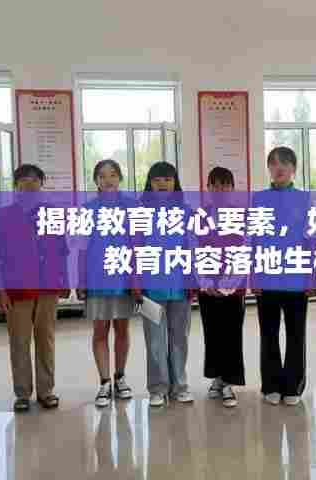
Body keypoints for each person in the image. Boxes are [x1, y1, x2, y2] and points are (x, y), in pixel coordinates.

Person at [0, 164, 70, 412]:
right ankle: (22, 393)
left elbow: (61, 249)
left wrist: (65, 279)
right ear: (16, 185)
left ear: (41, 184)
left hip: (48, 287)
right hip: (17, 289)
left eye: (35, 180)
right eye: (24, 180)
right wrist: (1, 290)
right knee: (19, 341)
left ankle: (46, 391)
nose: (29, 184)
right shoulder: (3, 216)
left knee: (46, 339)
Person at [77, 159, 141, 408]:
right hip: (97, 279)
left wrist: (138, 278)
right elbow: (82, 250)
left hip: (125, 279)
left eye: (113, 174)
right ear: (96, 181)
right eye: (102, 176)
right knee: (100, 331)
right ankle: (104, 382)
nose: (108, 180)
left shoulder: (132, 206)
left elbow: (138, 246)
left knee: (122, 330)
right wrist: (81, 280)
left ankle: (120, 377)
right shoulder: (87, 210)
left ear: (120, 178)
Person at [254, 146, 311, 406]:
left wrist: (311, 276)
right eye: (274, 163)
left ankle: (293, 387)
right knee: (269, 334)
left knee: (296, 334)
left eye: (285, 163)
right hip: (267, 277)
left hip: (296, 277)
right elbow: (254, 240)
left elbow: (310, 241)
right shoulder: (259, 198)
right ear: (269, 168)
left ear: (293, 169)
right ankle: (271, 385)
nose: (279, 168)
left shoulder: (304, 199)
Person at [141, 161, 194, 407]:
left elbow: (192, 248)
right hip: (150, 288)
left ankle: (180, 386)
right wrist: (136, 284)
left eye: (168, 179)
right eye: (157, 179)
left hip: (180, 286)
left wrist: (193, 279)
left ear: (175, 183)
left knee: (179, 337)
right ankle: (157, 388)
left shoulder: (186, 212)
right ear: (150, 183)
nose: (162, 184)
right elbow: (134, 249)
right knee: (154, 340)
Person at [198, 167, 246, 408]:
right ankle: (217, 378)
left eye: (225, 185)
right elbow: (194, 250)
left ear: (232, 189)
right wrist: (206, 283)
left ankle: (228, 383)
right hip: (207, 288)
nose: (219, 190)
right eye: (214, 185)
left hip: (233, 288)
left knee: (231, 334)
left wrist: (228, 285)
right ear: (208, 188)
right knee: (212, 334)